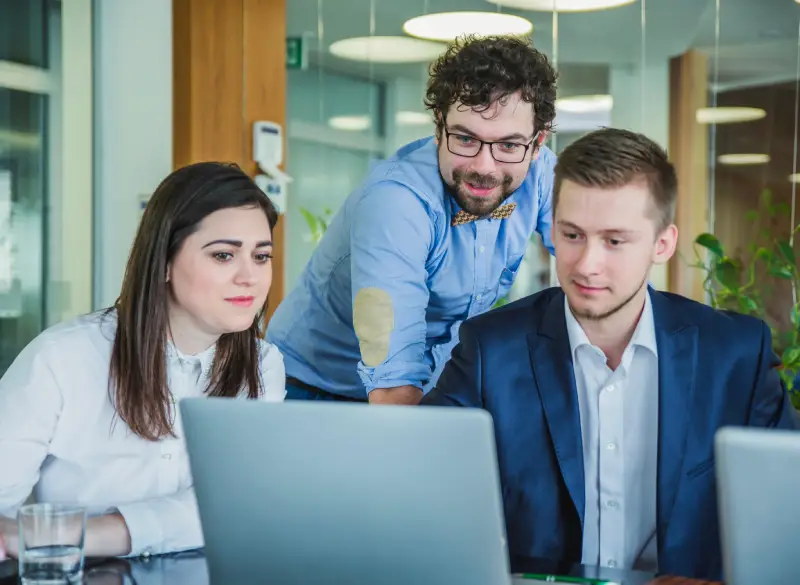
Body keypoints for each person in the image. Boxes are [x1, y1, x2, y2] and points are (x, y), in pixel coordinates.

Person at [421, 128, 800, 580]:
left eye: (614, 241)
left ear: (663, 244)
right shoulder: (489, 350)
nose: (586, 264)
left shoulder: (736, 356)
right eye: (573, 235)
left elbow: (786, 518)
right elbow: (422, 500)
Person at [0, 162, 285, 560]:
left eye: (261, 256)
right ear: (164, 261)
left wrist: (79, 532)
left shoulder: (262, 365)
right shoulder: (63, 358)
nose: (249, 277)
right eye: (223, 255)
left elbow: (240, 505)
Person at [268, 34, 559, 404]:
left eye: (508, 145)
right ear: (438, 127)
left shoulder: (542, 174)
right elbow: (393, 384)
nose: (485, 167)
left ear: (537, 144)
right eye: (466, 139)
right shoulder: (396, 203)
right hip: (315, 387)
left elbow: (592, 268)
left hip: (436, 380)